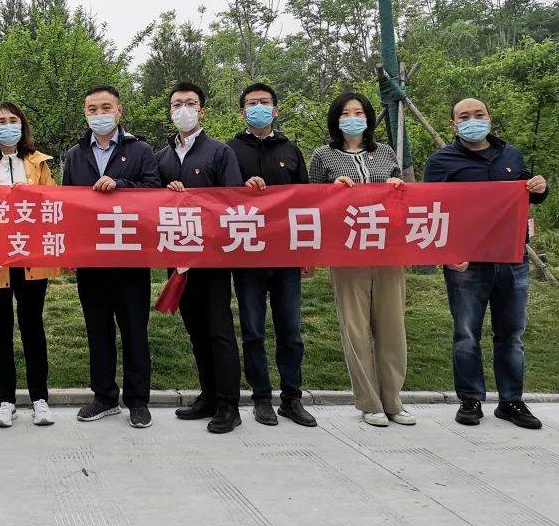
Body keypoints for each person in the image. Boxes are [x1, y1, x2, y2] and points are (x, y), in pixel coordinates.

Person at [424, 97, 550, 429]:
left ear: (489, 118)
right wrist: (447, 253)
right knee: (466, 334)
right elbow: (429, 209)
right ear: (453, 125)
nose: (472, 120)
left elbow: (529, 194)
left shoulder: (511, 155)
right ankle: (470, 400)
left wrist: (540, 187)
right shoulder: (441, 161)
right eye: (464, 116)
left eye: (478, 114)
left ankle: (511, 401)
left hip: (512, 259)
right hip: (467, 263)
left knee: (511, 334)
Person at [308, 92, 413, 428]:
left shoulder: (385, 153)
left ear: (368, 118)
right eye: (345, 113)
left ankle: (393, 399)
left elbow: (408, 200)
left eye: (358, 112)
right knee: (355, 328)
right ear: (335, 119)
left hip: (387, 249)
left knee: (392, 326)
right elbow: (311, 203)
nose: (352, 118)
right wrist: (331, 191)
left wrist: (397, 186)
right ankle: (369, 401)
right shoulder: (323, 156)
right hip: (347, 250)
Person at [62, 85, 160, 429]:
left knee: (135, 331)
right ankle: (104, 397)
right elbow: (68, 204)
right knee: (98, 331)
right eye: (92, 109)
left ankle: (138, 401)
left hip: (131, 257)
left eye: (106, 108)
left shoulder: (140, 150)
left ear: (120, 111)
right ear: (85, 114)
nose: (99, 114)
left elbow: (155, 192)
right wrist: (70, 250)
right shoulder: (75, 154)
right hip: (92, 259)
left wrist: (120, 185)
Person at [155, 82, 244, 434]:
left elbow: (233, 202)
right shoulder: (161, 158)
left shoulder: (220, 153)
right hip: (177, 259)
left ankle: (229, 404)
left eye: (190, 103)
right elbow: (150, 203)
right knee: (196, 331)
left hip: (212, 260)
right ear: (170, 111)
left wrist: (192, 198)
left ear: (202, 111)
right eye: (177, 104)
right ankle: (208, 395)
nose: (183, 109)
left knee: (219, 330)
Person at [226, 83, 317, 428]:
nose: (258, 107)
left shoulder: (290, 150)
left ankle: (292, 398)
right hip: (247, 254)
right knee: (253, 330)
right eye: (251, 103)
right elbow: (220, 199)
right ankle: (261, 398)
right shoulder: (230, 150)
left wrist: (307, 252)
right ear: (242, 112)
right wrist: (242, 188)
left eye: (264, 102)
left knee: (290, 330)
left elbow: (305, 203)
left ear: (276, 110)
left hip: (286, 255)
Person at [0, 102, 60, 428]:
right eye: (1, 121)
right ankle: (6, 400)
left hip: (31, 253)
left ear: (23, 125)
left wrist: (32, 195)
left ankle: (39, 399)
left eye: (13, 120)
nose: (8, 126)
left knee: (33, 326)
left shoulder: (38, 163)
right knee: (0, 328)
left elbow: (55, 204)